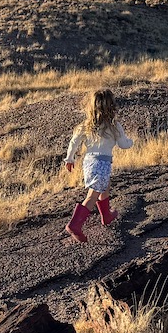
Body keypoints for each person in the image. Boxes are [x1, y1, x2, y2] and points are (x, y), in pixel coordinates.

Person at [61, 89, 133, 243]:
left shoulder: (86, 125)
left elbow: (74, 142)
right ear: (111, 106)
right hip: (102, 163)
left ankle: (106, 215)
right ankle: (74, 225)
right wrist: (130, 142)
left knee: (104, 186)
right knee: (93, 195)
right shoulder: (114, 126)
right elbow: (123, 144)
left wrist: (69, 158)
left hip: (89, 162)